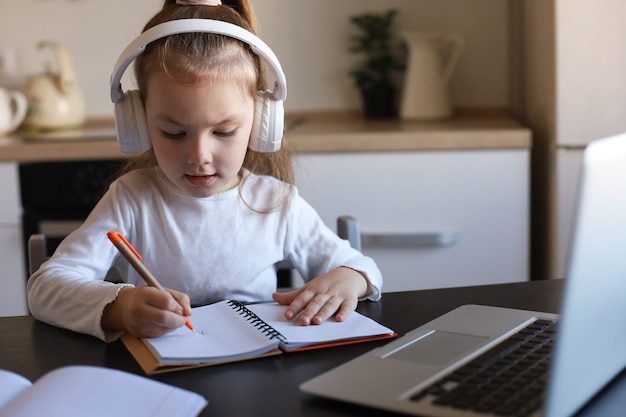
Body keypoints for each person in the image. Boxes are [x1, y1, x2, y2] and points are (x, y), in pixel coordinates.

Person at [27, 0, 382, 342]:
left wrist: (350, 278)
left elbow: (362, 269)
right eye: (174, 133)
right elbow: (45, 288)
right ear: (137, 121)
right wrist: (121, 307)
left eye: (224, 132)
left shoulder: (277, 203)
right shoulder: (130, 200)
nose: (199, 155)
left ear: (261, 123)